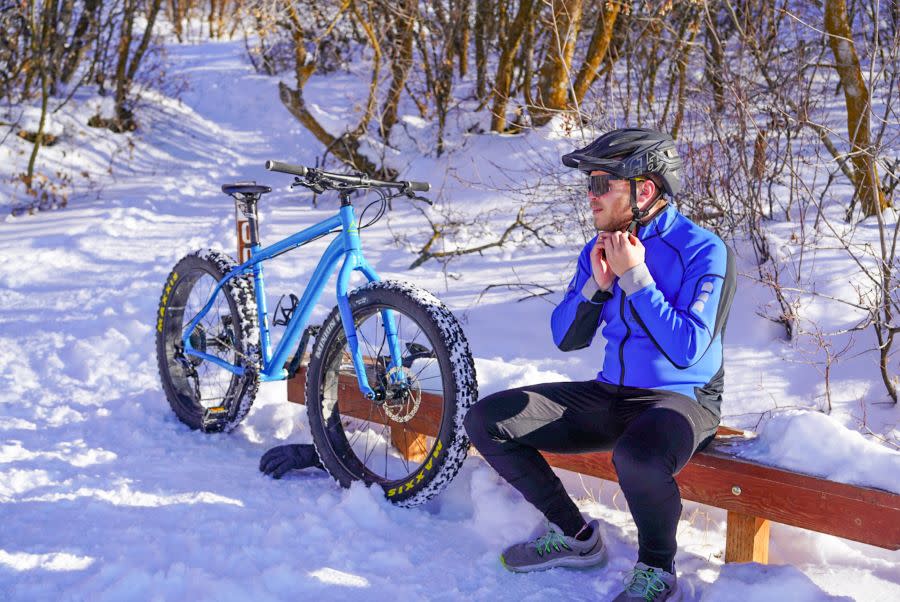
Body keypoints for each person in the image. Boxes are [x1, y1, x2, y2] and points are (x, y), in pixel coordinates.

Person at [463, 128, 736, 601]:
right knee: (488, 420)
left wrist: (636, 277)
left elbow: (688, 348)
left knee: (637, 456)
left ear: (643, 189)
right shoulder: (601, 248)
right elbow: (565, 338)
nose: (589, 197)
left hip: (684, 400)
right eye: (588, 184)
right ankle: (574, 535)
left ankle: (657, 570)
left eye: (599, 184)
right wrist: (596, 286)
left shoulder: (703, 250)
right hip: (613, 393)